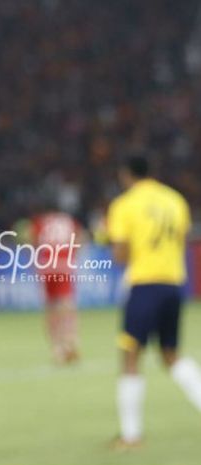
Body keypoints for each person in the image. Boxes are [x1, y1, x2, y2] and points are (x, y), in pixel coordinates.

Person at [107, 155, 201, 449]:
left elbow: (121, 255)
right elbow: (183, 240)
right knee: (171, 354)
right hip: (174, 283)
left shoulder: (124, 204)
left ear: (126, 174)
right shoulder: (175, 200)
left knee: (131, 354)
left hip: (145, 284)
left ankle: (131, 435)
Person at [29, 209, 81, 364]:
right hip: (65, 264)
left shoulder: (41, 221)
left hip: (47, 265)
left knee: (50, 307)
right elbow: (80, 238)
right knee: (67, 303)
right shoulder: (68, 220)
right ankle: (71, 341)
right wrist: (73, 254)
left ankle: (57, 348)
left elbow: (34, 241)